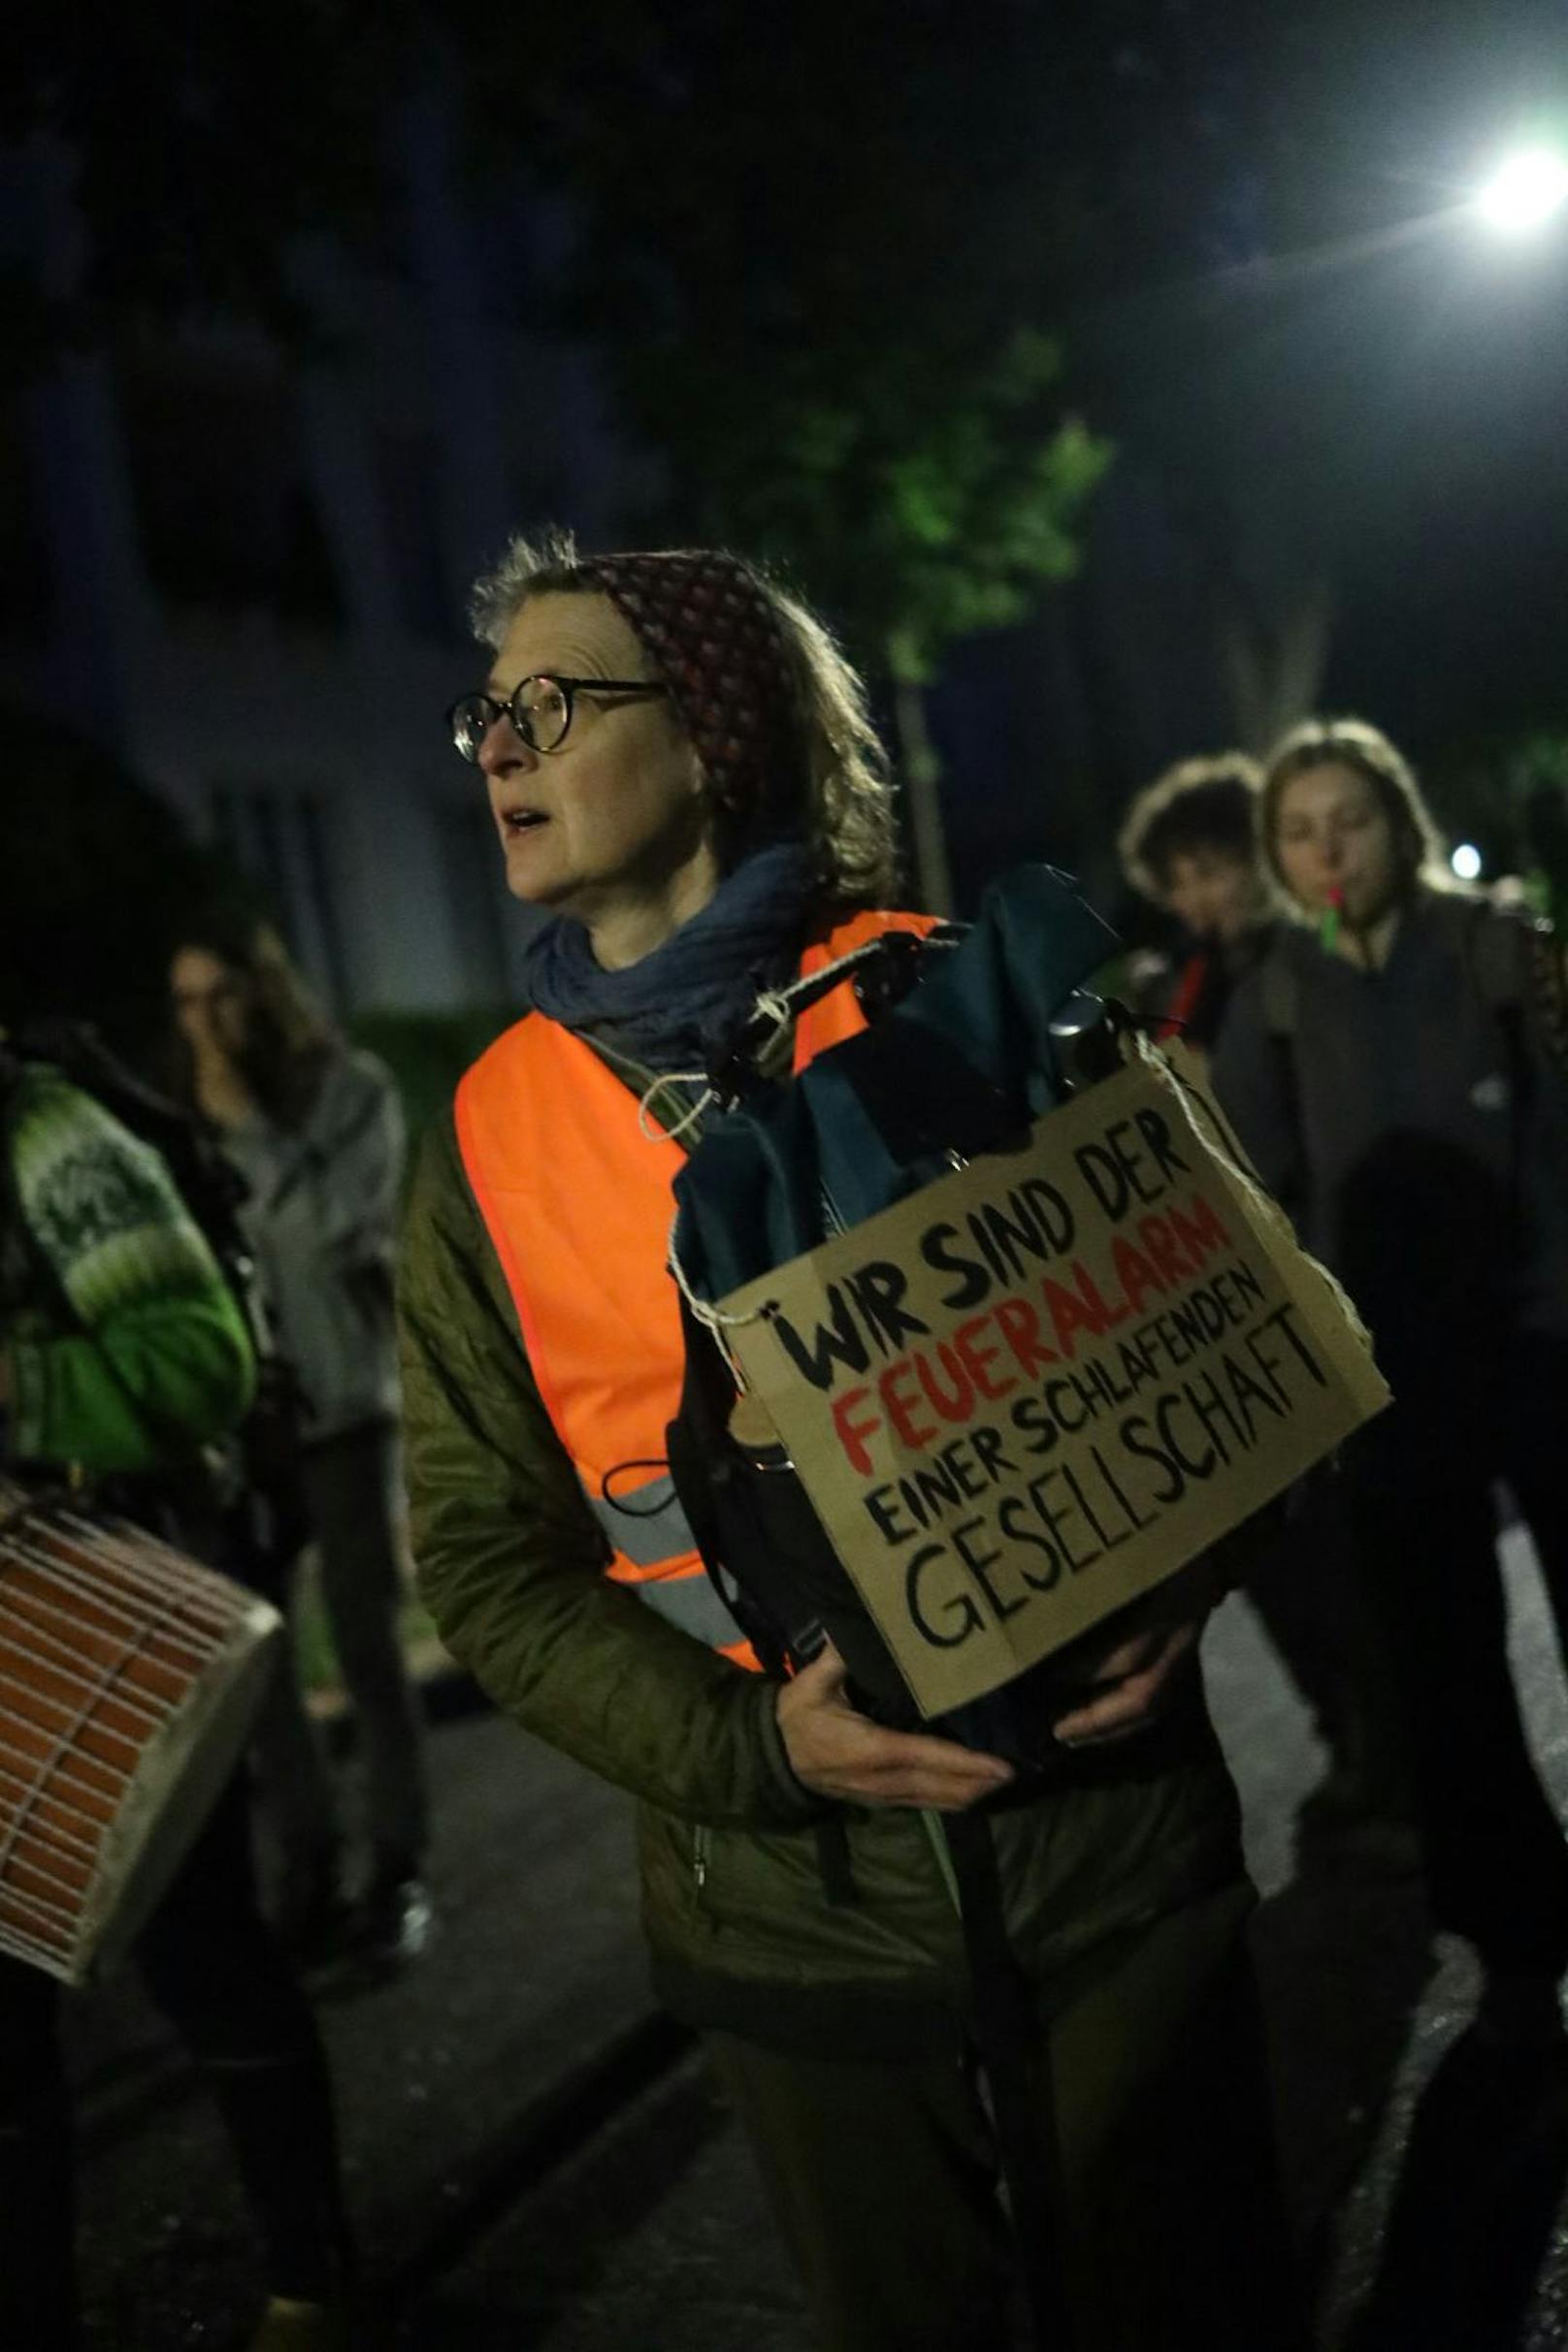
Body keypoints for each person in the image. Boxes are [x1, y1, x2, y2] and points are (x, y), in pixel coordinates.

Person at [397, 531, 1298, 2351]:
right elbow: (483, 1557)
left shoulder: (976, 989)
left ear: (719, 736)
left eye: (554, 703)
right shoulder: (482, 1141)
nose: (500, 745)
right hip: (793, 1923)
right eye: (487, 712)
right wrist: (757, 1748)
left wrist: (1194, 1556)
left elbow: (1252, 1345)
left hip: (1114, 1865)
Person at [1212, 715, 1568, 2047]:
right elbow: (1253, 1191)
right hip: (1390, 1382)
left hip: (1541, 1342)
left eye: (1347, 819)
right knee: (1445, 1667)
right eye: (1298, 829)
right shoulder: (1280, 998)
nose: (1326, 849)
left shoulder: (1492, 945)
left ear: (1398, 819)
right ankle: (1519, 1921)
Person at [0, 1040, 352, 2352]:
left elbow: (198, 1362)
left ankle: (311, 2284)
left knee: (205, 1957)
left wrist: (17, 1383)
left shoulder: (45, 1137)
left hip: (96, 1622)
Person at [1120, 752, 1410, 1857]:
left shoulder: (1314, 955)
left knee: (1358, 1557)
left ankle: (1395, 1767)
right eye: (1181, 878)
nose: (1205, 896)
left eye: (1219, 868)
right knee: (1281, 1562)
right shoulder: (1180, 981)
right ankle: (1354, 1745)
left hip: (1326, 1284)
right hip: (1231, 1308)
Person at [169, 924, 431, 1969]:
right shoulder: (185, 1120)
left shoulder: (350, 1092)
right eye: (185, 1005)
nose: (206, 1024)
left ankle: (399, 1865)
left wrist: (246, 1129)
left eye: (219, 996)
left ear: (262, 991)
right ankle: (308, 1869)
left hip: (343, 1408)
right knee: (263, 1660)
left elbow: (328, 1232)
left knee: (368, 1646)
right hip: (246, 1427)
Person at [1116, 752, 1274, 1057]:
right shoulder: (1171, 981)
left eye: (1209, 873)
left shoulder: (1306, 950)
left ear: (1259, 860)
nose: (1193, 900)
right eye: (1175, 884)